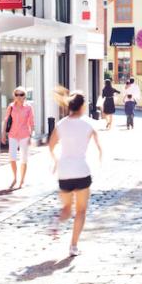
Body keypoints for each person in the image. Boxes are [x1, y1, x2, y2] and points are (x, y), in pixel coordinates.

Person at [48, 91, 102, 257]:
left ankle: (56, 222)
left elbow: (50, 145)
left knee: (66, 208)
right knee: (81, 211)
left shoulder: (61, 124)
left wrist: (56, 161)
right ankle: (73, 246)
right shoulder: (89, 124)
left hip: (64, 172)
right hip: (81, 171)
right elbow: (99, 148)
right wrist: (100, 161)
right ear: (83, 106)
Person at [4, 86, 34, 190]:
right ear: (14, 96)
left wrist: (31, 136)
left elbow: (31, 122)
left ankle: (22, 180)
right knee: (12, 157)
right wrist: (3, 134)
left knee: (24, 159)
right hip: (12, 134)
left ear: (25, 96)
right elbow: (6, 120)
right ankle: (15, 178)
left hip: (25, 135)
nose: (19, 97)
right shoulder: (11, 106)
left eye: (21, 94)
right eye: (17, 95)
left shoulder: (28, 107)